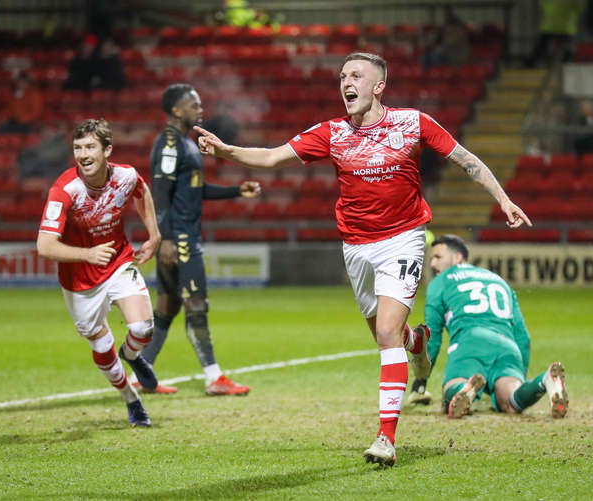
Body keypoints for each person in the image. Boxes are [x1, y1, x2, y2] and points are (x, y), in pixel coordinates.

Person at [193, 52, 531, 466]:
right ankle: (419, 342)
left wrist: (504, 199)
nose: (345, 82)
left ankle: (385, 439)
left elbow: (465, 160)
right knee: (388, 336)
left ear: (378, 86)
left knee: (388, 333)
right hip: (356, 247)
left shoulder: (412, 123)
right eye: (342, 76)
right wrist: (226, 152)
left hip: (403, 240)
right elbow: (272, 156)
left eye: (356, 75)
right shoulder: (332, 132)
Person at [136, 83, 261, 396]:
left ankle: (144, 373)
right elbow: (161, 192)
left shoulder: (186, 142)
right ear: (177, 110)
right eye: (194, 104)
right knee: (196, 304)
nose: (200, 109)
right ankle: (214, 377)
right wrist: (163, 238)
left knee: (167, 306)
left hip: (180, 236)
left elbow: (196, 190)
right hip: (179, 239)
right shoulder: (168, 143)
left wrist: (236, 191)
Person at [36, 118, 162, 427]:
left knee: (143, 328)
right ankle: (132, 400)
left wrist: (154, 235)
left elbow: (141, 190)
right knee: (102, 349)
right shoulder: (64, 190)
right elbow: (44, 245)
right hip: (79, 281)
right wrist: (87, 254)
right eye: (77, 148)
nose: (82, 154)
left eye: (90, 147)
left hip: (117, 262)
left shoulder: (125, 175)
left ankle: (132, 355)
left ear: (107, 150)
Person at [411, 234, 567, 420]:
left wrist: (421, 380)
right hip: (507, 346)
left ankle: (464, 389)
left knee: (450, 397)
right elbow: (523, 336)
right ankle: (544, 380)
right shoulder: (497, 279)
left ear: (457, 258)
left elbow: (433, 336)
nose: (432, 264)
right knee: (510, 401)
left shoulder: (440, 282)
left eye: (438, 257)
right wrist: (518, 375)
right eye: (431, 259)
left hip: (470, 343)